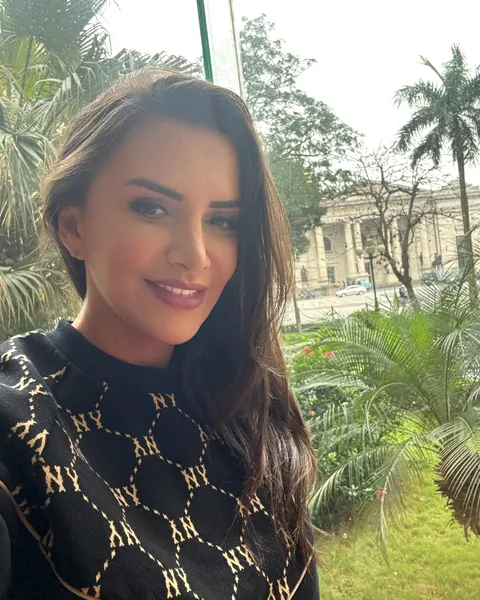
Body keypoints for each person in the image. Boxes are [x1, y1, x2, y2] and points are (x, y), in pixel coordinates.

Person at [0, 70, 319, 599]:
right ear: (73, 227)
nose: (195, 255)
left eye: (222, 221)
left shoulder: (246, 400)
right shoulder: (18, 421)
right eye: (151, 208)